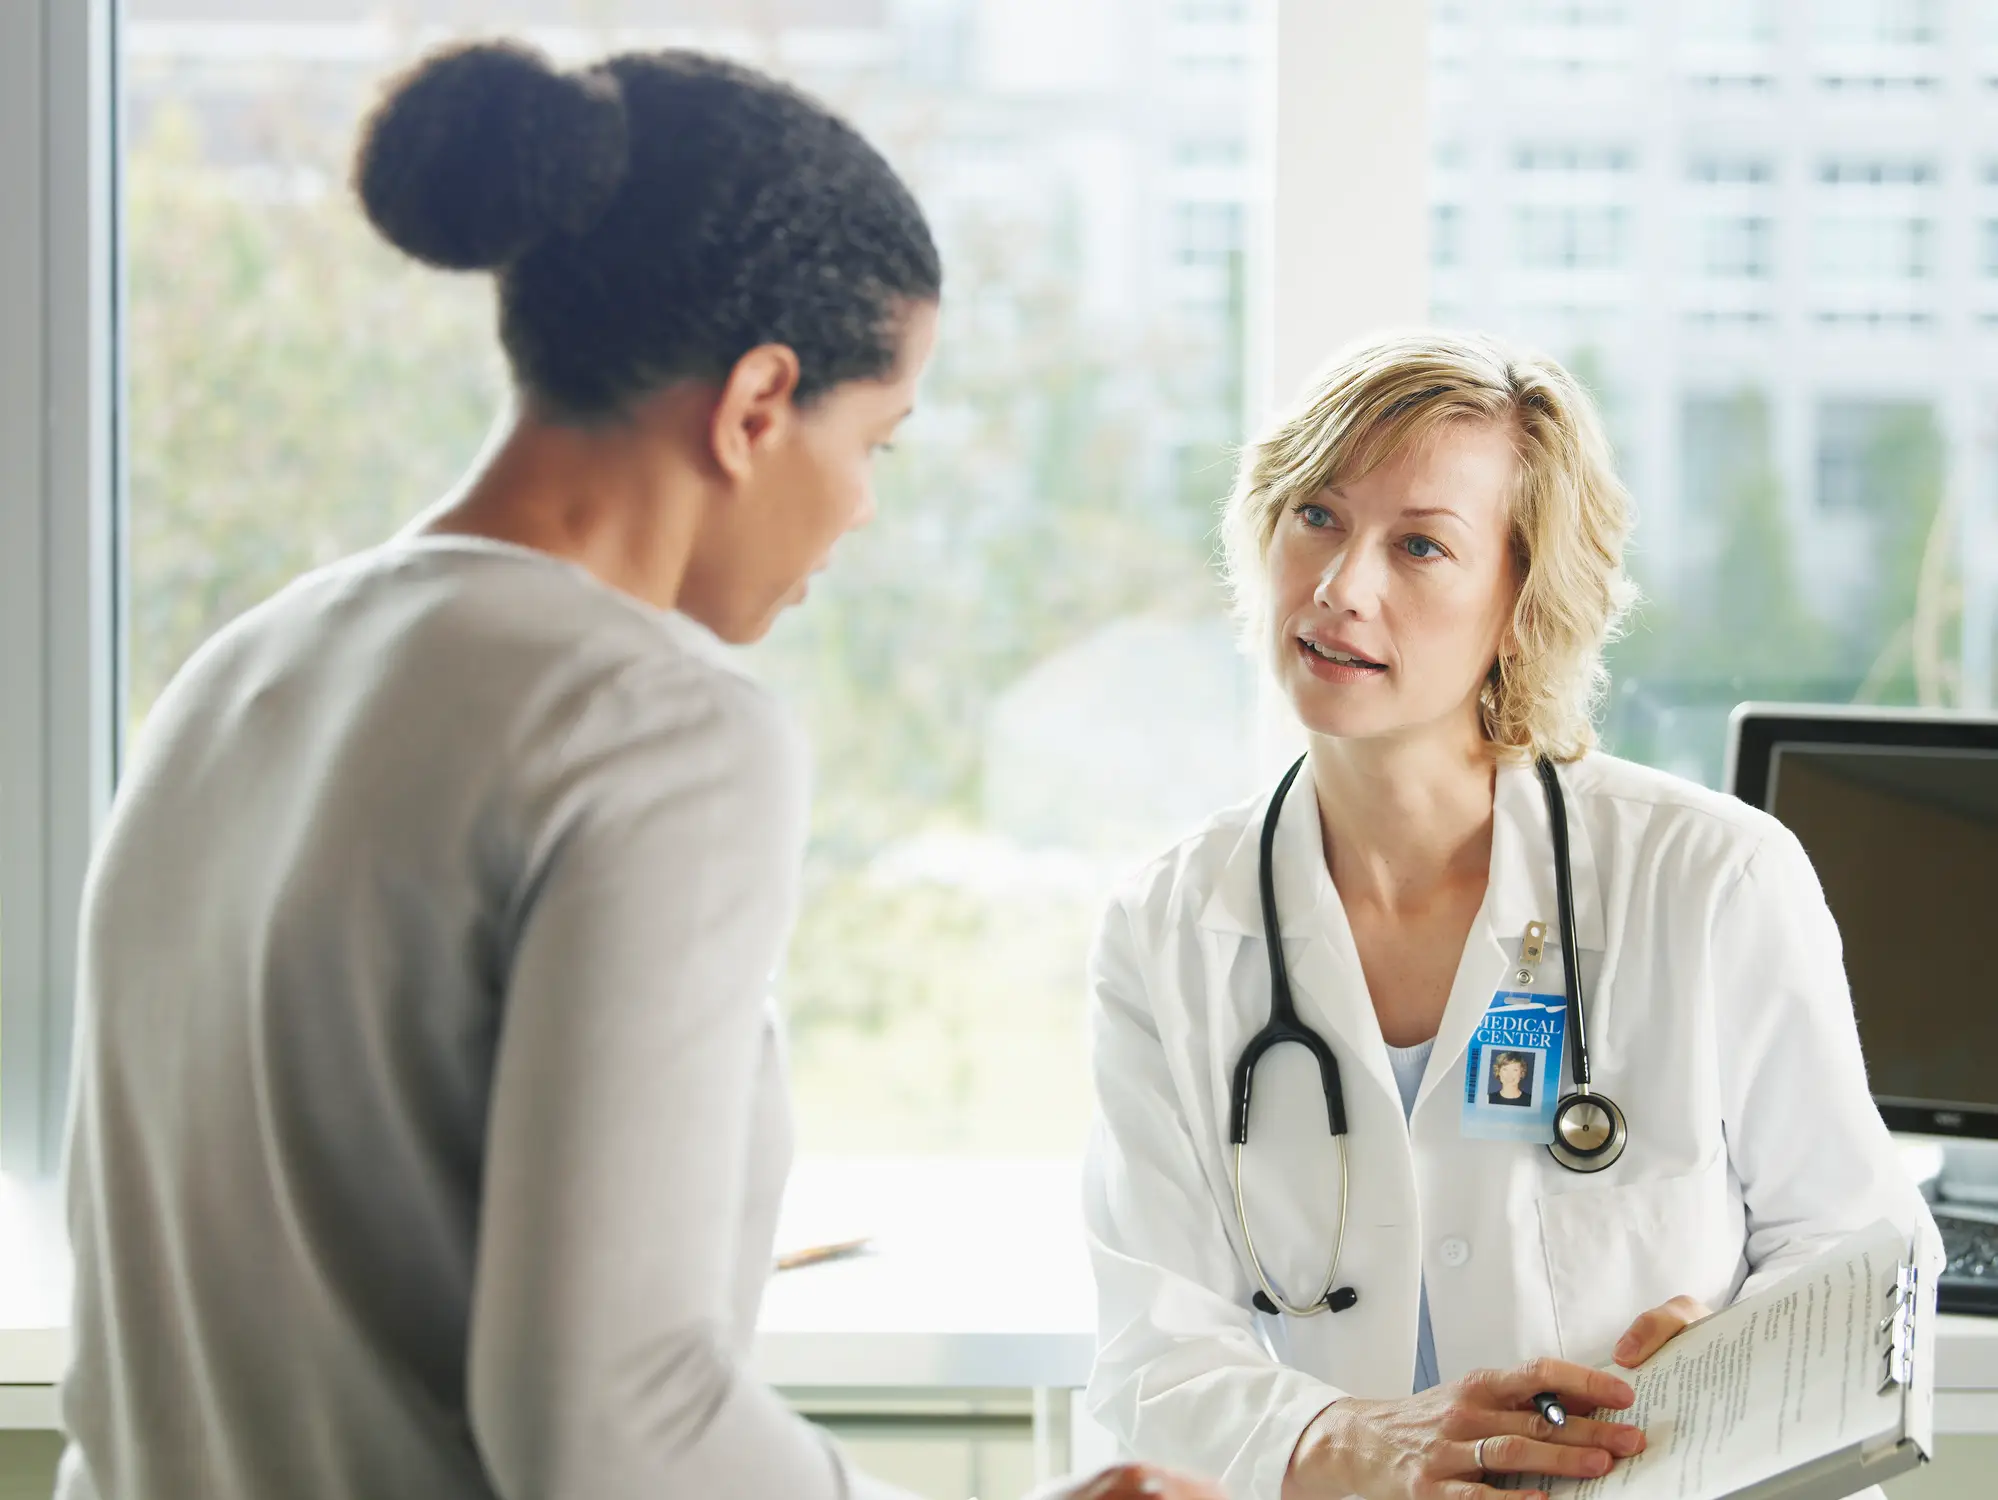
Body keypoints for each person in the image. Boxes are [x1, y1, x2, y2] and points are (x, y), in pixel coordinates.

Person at [55, 40, 1218, 1500]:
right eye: (877, 441)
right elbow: (614, 1425)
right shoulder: (655, 725)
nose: (862, 507)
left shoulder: (237, 678)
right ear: (756, 404)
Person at [1079, 331, 1937, 1500]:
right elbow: (1155, 1353)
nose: (1341, 587)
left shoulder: (1712, 879)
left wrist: (1737, 1354)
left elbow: (1865, 1255)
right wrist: (1351, 1442)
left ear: (1523, 604)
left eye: (1420, 545)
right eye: (1316, 516)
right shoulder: (1170, 927)